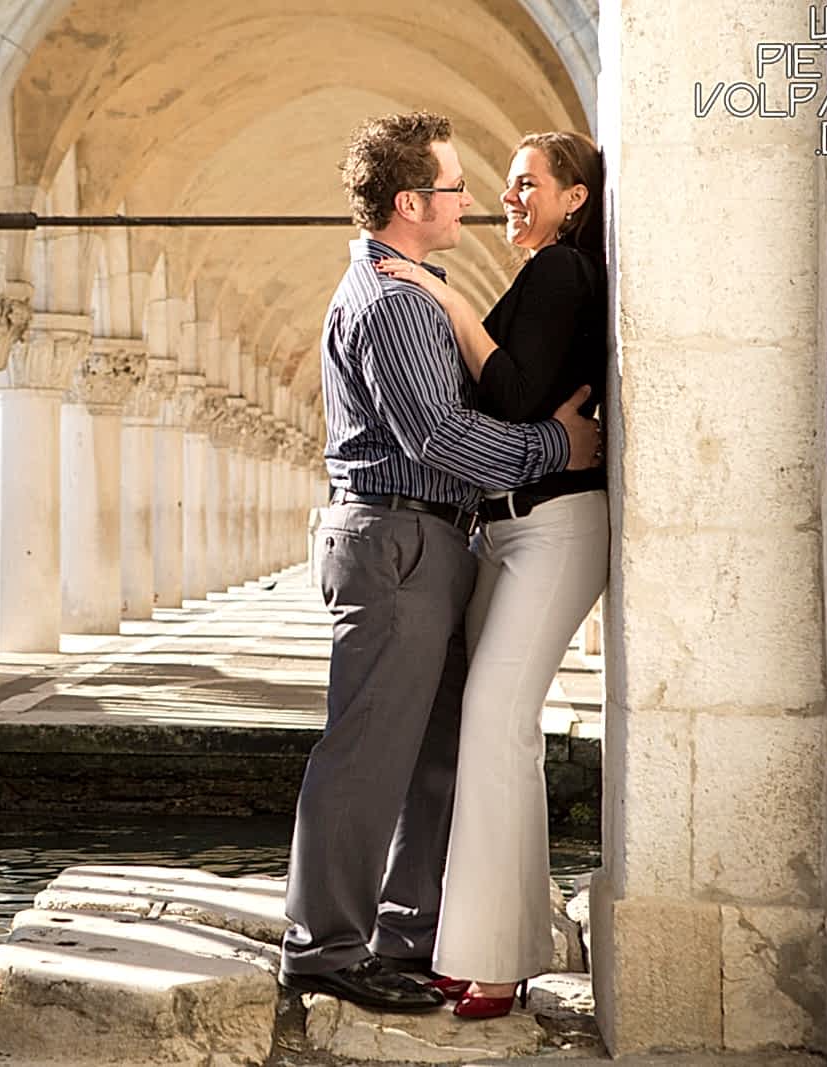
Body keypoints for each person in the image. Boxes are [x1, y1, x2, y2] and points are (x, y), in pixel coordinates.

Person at [278, 112, 600, 1013]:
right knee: (368, 754)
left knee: (433, 755)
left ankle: (407, 936)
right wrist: (556, 447)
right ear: (414, 201)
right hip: (398, 538)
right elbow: (442, 436)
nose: (473, 196)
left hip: (423, 540)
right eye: (456, 185)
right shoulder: (394, 303)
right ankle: (325, 949)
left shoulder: (416, 290)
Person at [378, 131, 608, 1020]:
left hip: (555, 527)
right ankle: (490, 946)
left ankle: (495, 961)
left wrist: (447, 304)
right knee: (494, 734)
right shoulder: (545, 276)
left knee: (493, 722)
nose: (508, 198)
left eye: (526, 184)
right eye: (506, 185)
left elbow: (509, 398)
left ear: (574, 198)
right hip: (509, 530)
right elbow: (504, 401)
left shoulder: (560, 275)